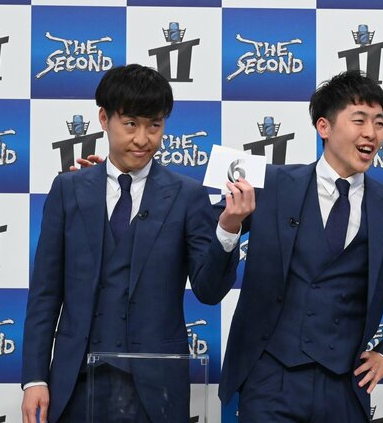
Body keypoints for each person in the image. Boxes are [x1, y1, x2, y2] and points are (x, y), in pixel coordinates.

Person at [21, 64, 254, 423]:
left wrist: (228, 228)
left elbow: (208, 291)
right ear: (104, 118)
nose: (143, 139)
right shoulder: (68, 190)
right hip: (75, 383)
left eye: (154, 126)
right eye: (130, 124)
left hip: (155, 390)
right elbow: (45, 294)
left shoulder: (187, 195)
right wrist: (35, 378)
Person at [218, 71, 383, 422]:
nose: (371, 133)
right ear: (324, 127)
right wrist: (228, 226)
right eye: (359, 120)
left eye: (379, 123)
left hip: (345, 388)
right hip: (269, 382)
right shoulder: (270, 184)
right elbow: (208, 266)